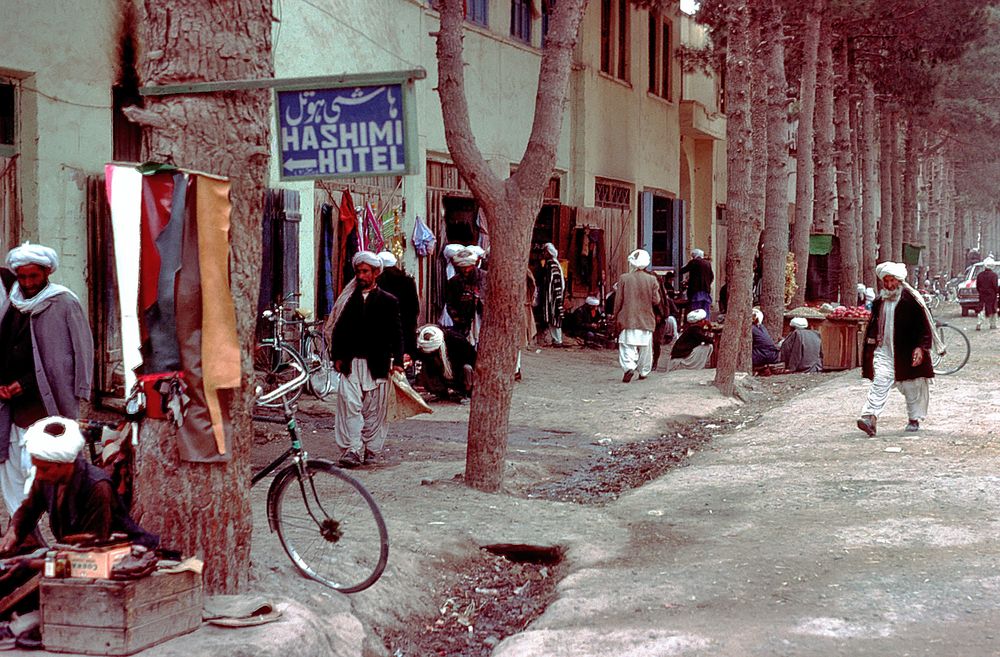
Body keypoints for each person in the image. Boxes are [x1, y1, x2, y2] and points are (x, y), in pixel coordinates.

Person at [0, 243, 94, 517]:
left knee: (44, 466)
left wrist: (81, 391)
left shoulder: (64, 301)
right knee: (11, 467)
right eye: (23, 277)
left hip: (46, 400)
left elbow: (82, 349)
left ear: (46, 273)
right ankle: (22, 533)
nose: (28, 283)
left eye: (34, 277)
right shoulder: (13, 303)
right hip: (11, 405)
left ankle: (53, 525)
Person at [0, 417, 158, 554]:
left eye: (44, 469)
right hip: (80, 554)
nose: (39, 475)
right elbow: (28, 509)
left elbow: (93, 546)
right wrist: (14, 530)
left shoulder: (97, 487)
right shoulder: (47, 477)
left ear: (64, 464)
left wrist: (41, 560)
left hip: (119, 555)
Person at [329, 251, 404, 468]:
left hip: (377, 363)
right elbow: (338, 330)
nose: (361, 276)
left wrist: (398, 361)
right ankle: (352, 449)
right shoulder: (348, 300)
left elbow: (396, 332)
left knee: (374, 410)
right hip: (351, 363)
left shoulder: (389, 302)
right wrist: (337, 357)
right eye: (358, 272)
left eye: (365, 272)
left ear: (375, 273)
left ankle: (372, 448)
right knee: (350, 405)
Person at [857, 261, 941, 436]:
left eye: (892, 281)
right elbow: (874, 324)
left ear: (899, 280)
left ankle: (913, 418)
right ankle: (870, 417)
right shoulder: (880, 300)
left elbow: (923, 326)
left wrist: (921, 347)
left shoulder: (911, 299)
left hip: (906, 352)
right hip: (884, 350)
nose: (888, 285)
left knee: (911, 387)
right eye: (885, 281)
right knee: (880, 381)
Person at [613, 249, 661, 382]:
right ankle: (644, 371)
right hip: (646, 319)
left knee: (627, 345)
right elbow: (656, 300)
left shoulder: (624, 278)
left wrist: (615, 315)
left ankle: (629, 367)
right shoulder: (652, 280)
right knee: (646, 348)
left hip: (628, 317)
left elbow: (618, 300)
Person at [414, 325, 476, 401]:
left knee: (467, 368)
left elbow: (472, 358)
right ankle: (440, 393)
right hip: (443, 375)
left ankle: (465, 393)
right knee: (425, 366)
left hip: (459, 372)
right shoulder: (423, 346)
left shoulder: (456, 340)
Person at [376, 251, 420, 357]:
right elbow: (415, 308)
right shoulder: (408, 281)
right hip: (406, 328)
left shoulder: (378, 283)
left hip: (383, 331)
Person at [445, 248, 486, 346]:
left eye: (468, 267)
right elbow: (450, 303)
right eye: (462, 267)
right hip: (463, 323)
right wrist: (457, 319)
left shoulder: (485, 278)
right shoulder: (454, 282)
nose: (465, 270)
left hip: (482, 319)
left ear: (473, 264)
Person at [536, 243, 565, 346]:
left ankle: (558, 340)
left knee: (555, 317)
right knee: (552, 317)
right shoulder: (550, 264)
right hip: (551, 296)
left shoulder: (552, 265)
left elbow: (553, 282)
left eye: (545, 252)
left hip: (553, 296)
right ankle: (556, 339)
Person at [680, 248, 714, 316]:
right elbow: (711, 277)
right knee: (705, 310)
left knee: (695, 310)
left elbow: (682, 270)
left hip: (696, 291)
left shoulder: (694, 262)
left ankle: (696, 324)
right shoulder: (708, 263)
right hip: (706, 291)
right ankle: (705, 323)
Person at [975, 257, 998, 331]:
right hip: (991, 294)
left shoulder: (980, 275)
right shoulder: (994, 275)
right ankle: (992, 324)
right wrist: (996, 292)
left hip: (982, 294)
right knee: (993, 309)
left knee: (982, 309)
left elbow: (977, 286)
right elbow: (995, 286)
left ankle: (979, 323)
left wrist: (981, 291)